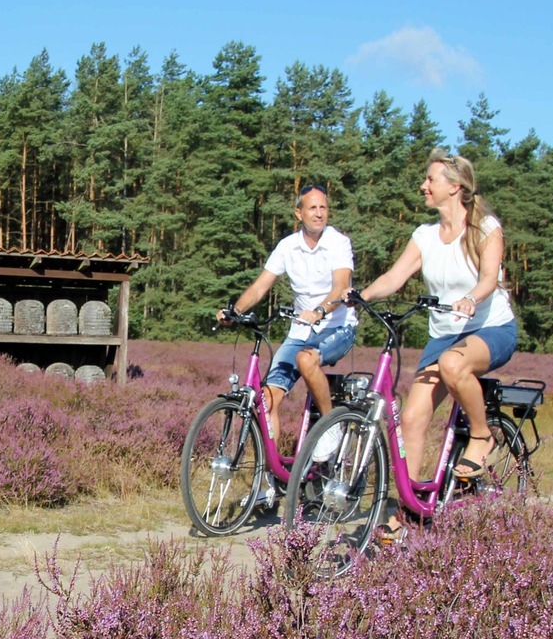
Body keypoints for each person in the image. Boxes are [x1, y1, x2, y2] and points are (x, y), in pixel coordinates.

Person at [357, 148, 517, 537]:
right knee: (410, 418)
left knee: (452, 365)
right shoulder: (425, 236)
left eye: (430, 180)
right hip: (444, 334)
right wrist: (358, 296)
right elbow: (394, 278)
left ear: (454, 187)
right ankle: (407, 509)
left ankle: (481, 436)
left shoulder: (484, 228)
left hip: (489, 328)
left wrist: (471, 299)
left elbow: (489, 279)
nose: (423, 185)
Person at [218, 184, 358, 504]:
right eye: (312, 208)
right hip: (301, 329)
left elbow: (340, 286)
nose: (319, 213)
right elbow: (261, 285)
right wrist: (235, 311)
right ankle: (269, 483)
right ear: (299, 213)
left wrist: (321, 310)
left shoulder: (338, 242)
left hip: (337, 326)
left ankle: (330, 426)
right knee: (266, 401)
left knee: (307, 359)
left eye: (323, 207)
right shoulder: (287, 246)